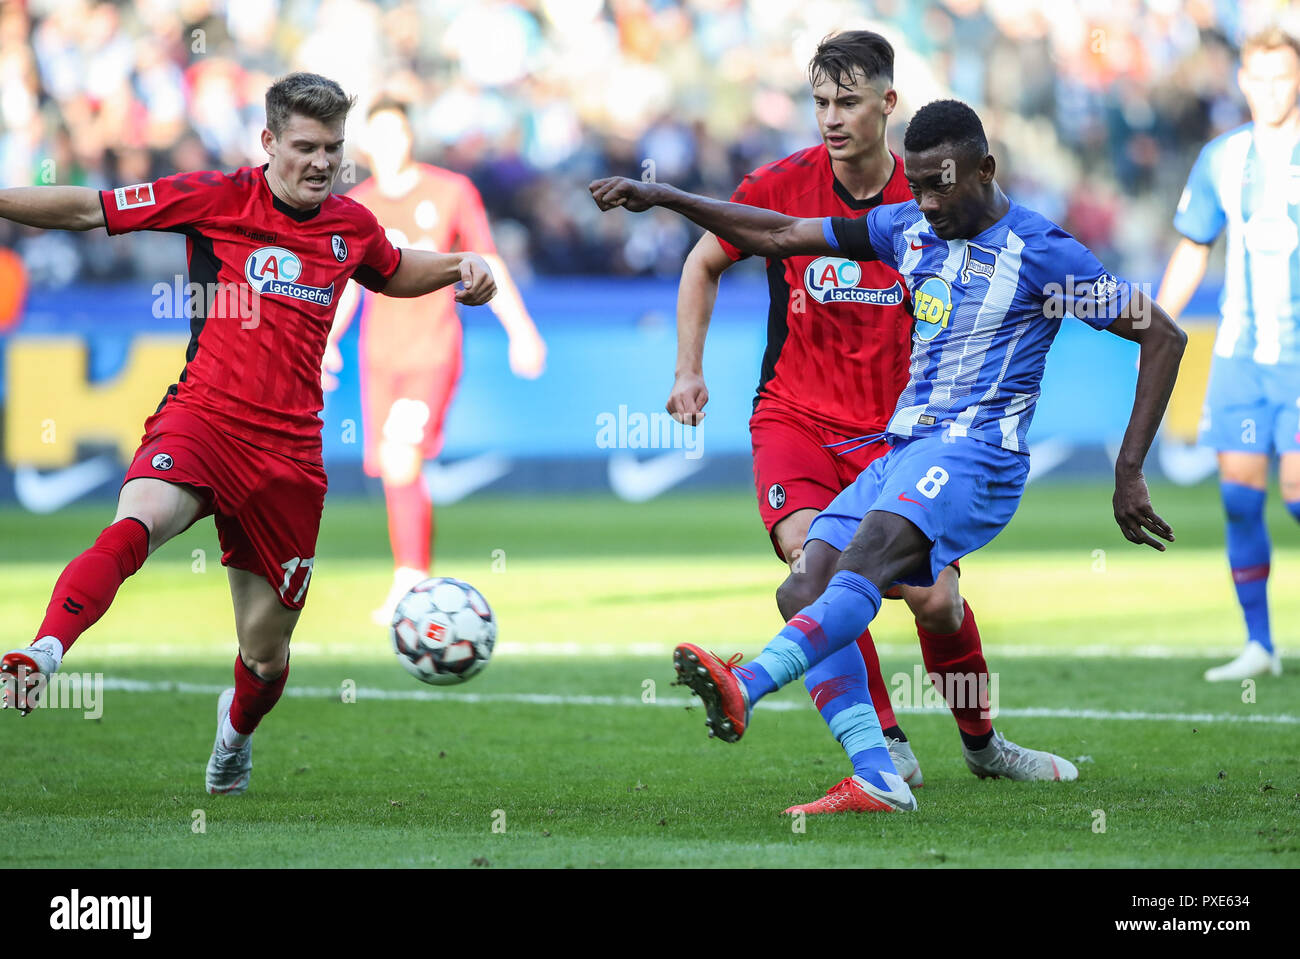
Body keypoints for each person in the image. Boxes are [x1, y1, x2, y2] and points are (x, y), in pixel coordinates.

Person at [593, 98, 1185, 813]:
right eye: (919, 185)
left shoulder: (1043, 253)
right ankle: (878, 771)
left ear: (985, 169)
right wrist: (666, 198)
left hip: (976, 455)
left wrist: (1129, 469)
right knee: (804, 584)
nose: (928, 202)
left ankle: (746, 684)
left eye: (941, 186)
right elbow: (778, 233)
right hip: (905, 449)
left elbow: (1162, 335)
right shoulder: (905, 226)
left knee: (872, 561)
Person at [0, 73, 497, 796]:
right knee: (138, 522)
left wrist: (461, 265)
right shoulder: (216, 197)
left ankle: (233, 733)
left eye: (332, 148)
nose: (322, 162)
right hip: (203, 420)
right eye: (306, 147)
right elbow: (88, 209)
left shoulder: (350, 226)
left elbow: (392, 272)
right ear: (268, 141)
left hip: (289, 457)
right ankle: (45, 649)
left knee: (265, 656)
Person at [666, 31, 1075, 813]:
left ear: (888, 103)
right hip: (795, 416)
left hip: (900, 433)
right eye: (820, 102)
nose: (831, 118)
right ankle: (881, 748)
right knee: (808, 573)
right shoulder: (778, 185)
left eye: (847, 102)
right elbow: (703, 260)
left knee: (936, 602)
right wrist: (688, 368)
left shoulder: (933, 197)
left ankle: (983, 744)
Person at [323, 98, 545, 625]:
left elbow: (487, 261)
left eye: (399, 132)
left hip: (432, 351)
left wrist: (520, 331)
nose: (391, 143)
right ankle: (413, 576)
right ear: (366, 144)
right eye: (381, 134)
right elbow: (347, 284)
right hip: (380, 357)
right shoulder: (357, 205)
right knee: (393, 468)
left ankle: (410, 582)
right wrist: (326, 341)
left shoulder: (450, 191)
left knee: (401, 455)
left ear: (411, 137)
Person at [1156, 28, 1300, 682]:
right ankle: (1259, 644)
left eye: (1282, 77)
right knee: (1240, 499)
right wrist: (1156, 326)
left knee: (1295, 494)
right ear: (1242, 80)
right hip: (1240, 359)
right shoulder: (1222, 157)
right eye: (1259, 78)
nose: (1269, 90)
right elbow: (1193, 247)